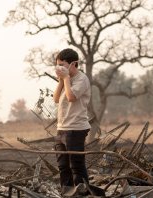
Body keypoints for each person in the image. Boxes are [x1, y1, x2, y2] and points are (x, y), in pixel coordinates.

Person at [53, 48, 91, 190]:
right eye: (58, 65)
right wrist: (62, 81)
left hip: (76, 128)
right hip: (61, 128)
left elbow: (71, 97)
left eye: (62, 65)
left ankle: (83, 193)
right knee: (63, 166)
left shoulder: (82, 79)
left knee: (76, 166)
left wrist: (67, 79)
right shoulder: (64, 80)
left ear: (73, 64)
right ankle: (67, 192)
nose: (60, 68)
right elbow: (56, 99)